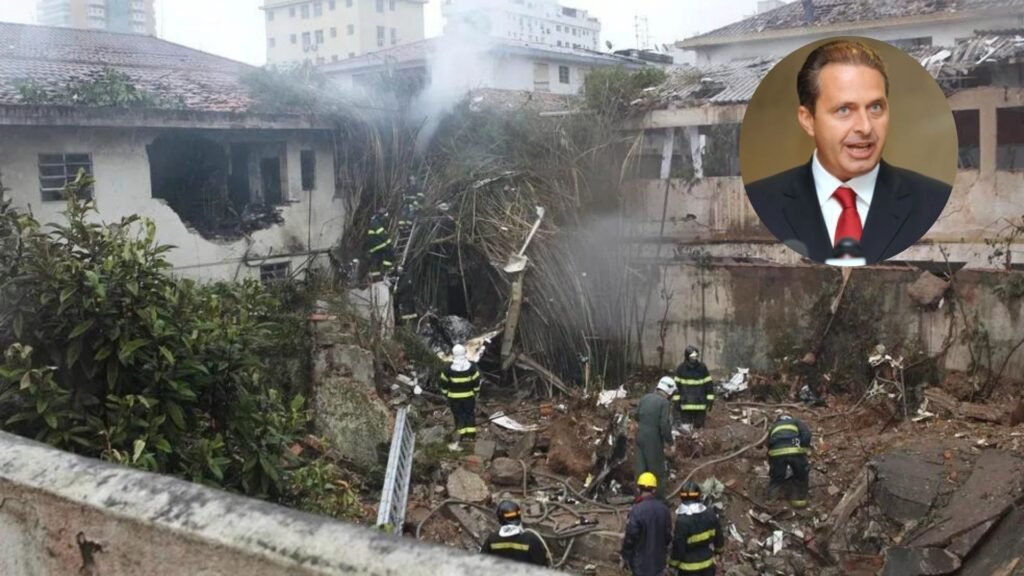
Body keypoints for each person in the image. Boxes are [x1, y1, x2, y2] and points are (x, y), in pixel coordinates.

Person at [745, 39, 952, 265]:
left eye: (875, 108)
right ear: (808, 120)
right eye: (844, 110)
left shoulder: (934, 202)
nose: (865, 127)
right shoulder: (760, 203)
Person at [621, 472, 673, 576]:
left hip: (640, 566)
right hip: (659, 564)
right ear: (654, 490)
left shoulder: (636, 510)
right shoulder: (664, 509)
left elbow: (631, 538)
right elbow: (668, 537)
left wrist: (625, 555)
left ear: (638, 489)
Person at [669, 480, 724, 575]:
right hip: (707, 566)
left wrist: (673, 564)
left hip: (687, 569)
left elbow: (679, 546)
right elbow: (719, 536)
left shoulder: (682, 520)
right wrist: (718, 551)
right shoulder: (710, 513)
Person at [635, 376, 676, 499]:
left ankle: (639, 498)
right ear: (669, 391)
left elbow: (636, 415)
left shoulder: (645, 398)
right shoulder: (664, 403)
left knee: (640, 470)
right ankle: (658, 500)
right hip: (654, 440)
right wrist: (670, 443)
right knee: (657, 472)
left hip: (640, 437)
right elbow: (664, 425)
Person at [480, 500, 552, 567]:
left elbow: (481, 563)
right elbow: (542, 565)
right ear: (519, 517)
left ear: (500, 518)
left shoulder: (492, 539)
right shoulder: (531, 539)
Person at [766, 413, 813, 508]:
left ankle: (771, 500)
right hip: (795, 452)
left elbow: (769, 443)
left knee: (776, 478)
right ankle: (799, 500)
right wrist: (804, 447)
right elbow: (807, 434)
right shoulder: (796, 422)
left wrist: (772, 461)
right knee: (801, 475)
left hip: (777, 453)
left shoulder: (774, 426)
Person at [439, 344, 481, 443]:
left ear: (453, 354)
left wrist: (445, 393)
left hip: (454, 398)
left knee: (459, 415)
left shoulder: (448, 368)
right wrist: (476, 392)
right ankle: (471, 436)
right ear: (464, 353)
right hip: (469, 397)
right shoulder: (471, 367)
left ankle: (461, 436)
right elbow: (477, 381)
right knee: (469, 414)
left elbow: (443, 383)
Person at [674, 346, 714, 430]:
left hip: (700, 405)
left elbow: (709, 385)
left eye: (696, 356)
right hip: (686, 405)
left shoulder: (702, 368)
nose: (694, 358)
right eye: (692, 356)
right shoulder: (681, 369)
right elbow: (676, 387)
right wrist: (676, 401)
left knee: (699, 429)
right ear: (687, 357)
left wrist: (710, 399)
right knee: (686, 429)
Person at [366, 208, 394, 282]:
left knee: (376, 261)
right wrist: (389, 242)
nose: (385, 219)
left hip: (374, 246)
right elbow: (382, 234)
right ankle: (387, 269)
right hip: (378, 244)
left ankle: (375, 277)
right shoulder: (375, 223)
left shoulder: (374, 222)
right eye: (384, 217)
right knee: (390, 250)